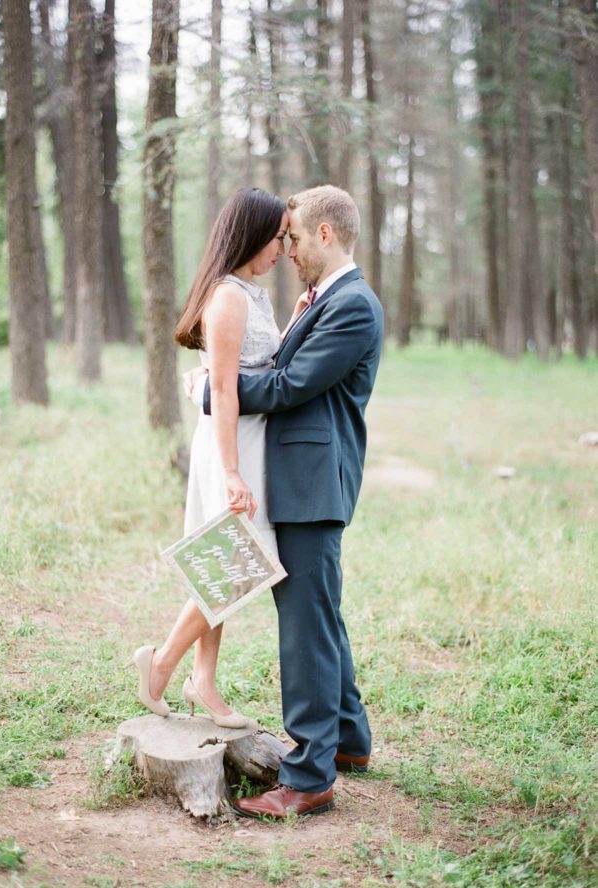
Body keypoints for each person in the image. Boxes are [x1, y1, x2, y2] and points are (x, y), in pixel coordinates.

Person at [200, 185, 384, 818]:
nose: (289, 249)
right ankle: (350, 741)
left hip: (312, 483)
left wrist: (213, 393)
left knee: (304, 628)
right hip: (305, 478)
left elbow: (290, 384)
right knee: (322, 615)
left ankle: (309, 777)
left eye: (297, 238)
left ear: (325, 236)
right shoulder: (328, 299)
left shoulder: (354, 306)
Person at [128, 188, 288, 729]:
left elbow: (257, 366)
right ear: (251, 235)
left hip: (246, 440)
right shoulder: (227, 296)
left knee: (221, 563)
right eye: (277, 237)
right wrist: (232, 472)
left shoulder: (250, 293)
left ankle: (204, 682)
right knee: (234, 563)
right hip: (228, 443)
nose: (283, 248)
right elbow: (223, 390)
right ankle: (162, 666)